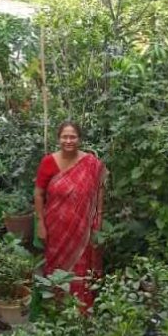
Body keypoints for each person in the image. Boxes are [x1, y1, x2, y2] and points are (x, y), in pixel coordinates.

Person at [34, 121, 106, 308]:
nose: (68, 140)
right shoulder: (48, 162)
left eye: (72, 136)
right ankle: (57, 306)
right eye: (65, 136)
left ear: (79, 139)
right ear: (59, 139)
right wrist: (40, 224)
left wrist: (98, 220)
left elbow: (99, 192)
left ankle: (81, 308)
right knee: (56, 267)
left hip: (84, 230)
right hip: (56, 228)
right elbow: (38, 193)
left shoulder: (91, 163)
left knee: (81, 268)